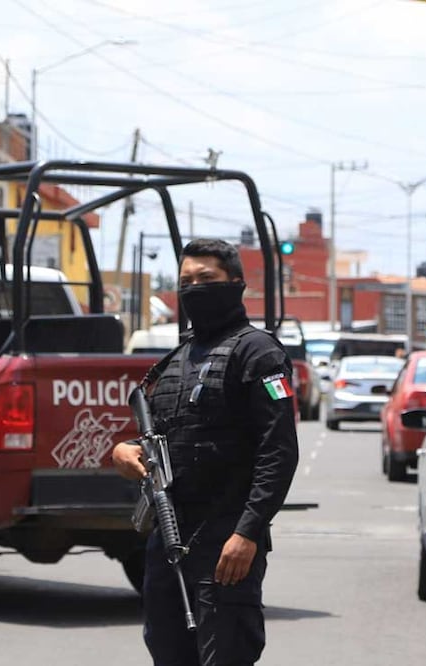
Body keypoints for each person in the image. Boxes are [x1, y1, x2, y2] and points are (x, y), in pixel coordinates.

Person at [111, 238, 299, 666]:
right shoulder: (174, 361)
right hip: (170, 537)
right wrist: (125, 452)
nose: (195, 288)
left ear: (236, 284)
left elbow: (279, 451)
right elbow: (170, 437)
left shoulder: (258, 352)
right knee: (168, 652)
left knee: (226, 655)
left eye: (207, 279)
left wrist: (247, 533)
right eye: (186, 281)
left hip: (226, 540)